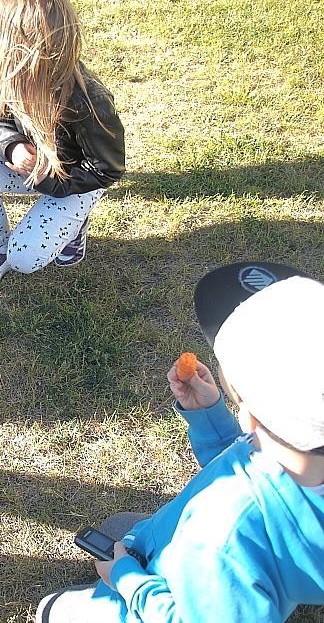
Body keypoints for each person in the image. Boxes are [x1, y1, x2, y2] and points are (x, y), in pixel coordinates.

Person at [37, 261, 324, 622]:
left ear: (250, 416)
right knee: (120, 529)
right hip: (240, 578)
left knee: (55, 609)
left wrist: (126, 578)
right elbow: (242, 463)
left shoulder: (221, 535)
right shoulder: (292, 452)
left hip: (171, 598)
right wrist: (208, 414)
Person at [0, 0, 125, 293]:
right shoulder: (12, 76)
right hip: (34, 169)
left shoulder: (88, 101)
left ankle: (75, 226)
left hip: (74, 182)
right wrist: (12, 146)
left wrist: (50, 182)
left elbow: (107, 169)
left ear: (26, 50)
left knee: (24, 259)